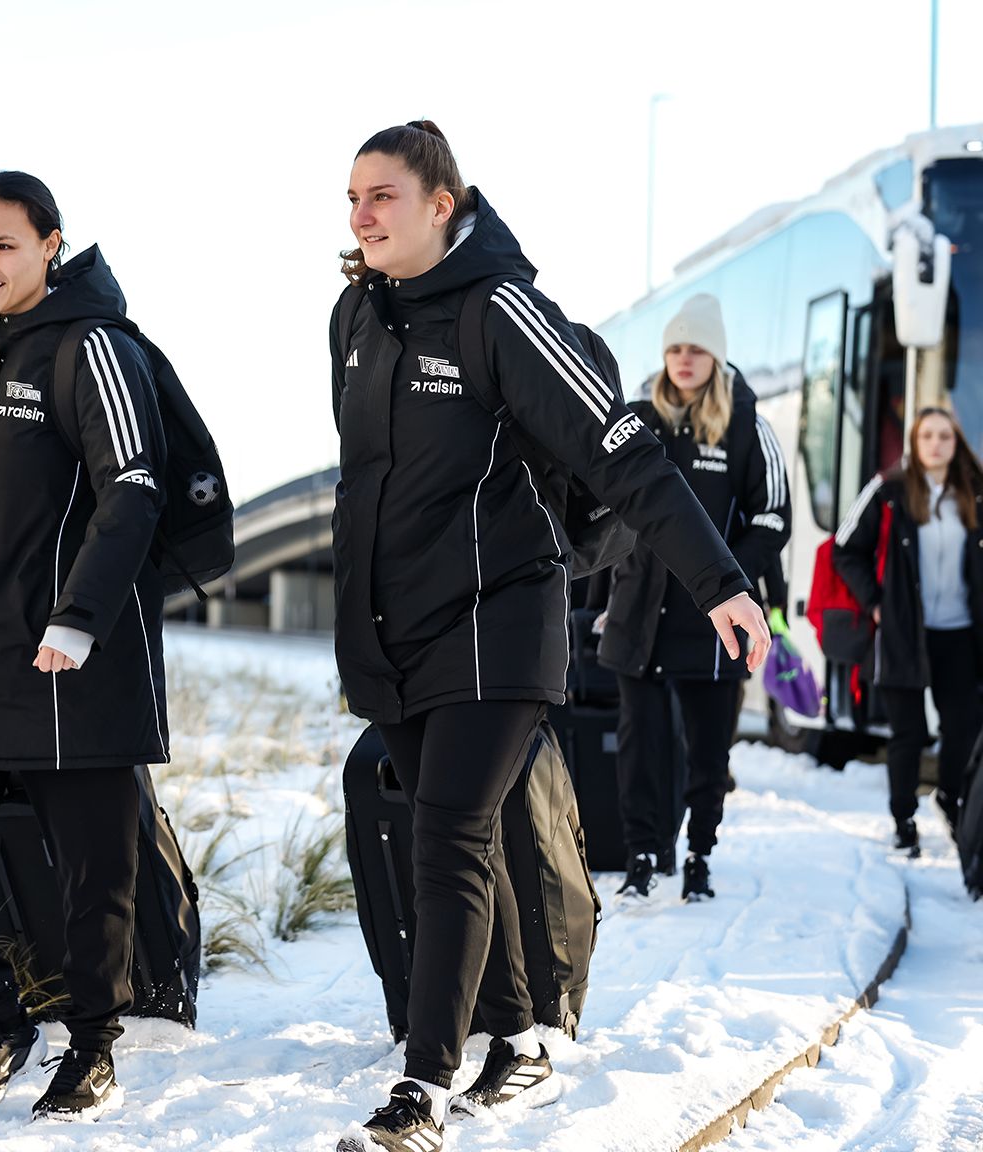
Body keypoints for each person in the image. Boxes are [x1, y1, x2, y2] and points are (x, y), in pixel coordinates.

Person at [327, 122, 769, 1152]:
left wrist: (722, 585)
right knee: (461, 840)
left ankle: (421, 1096)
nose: (360, 215)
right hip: (396, 636)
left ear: (443, 204)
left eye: (381, 195)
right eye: (351, 197)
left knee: (445, 839)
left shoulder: (502, 313)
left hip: (501, 621)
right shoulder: (354, 317)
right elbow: (367, 485)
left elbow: (629, 459)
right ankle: (521, 1039)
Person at [0, 171, 169, 1122]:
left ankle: (94, 1044)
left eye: (4, 244)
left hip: (69, 661)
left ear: (52, 244)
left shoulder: (93, 347)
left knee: (93, 866)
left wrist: (78, 619)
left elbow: (134, 486)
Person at [596, 295, 791, 900]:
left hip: (714, 623)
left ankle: (699, 853)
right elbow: (602, 512)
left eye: (696, 349)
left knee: (708, 752)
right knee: (640, 745)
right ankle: (642, 855)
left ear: (716, 356)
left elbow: (774, 517)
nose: (683, 359)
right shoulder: (633, 419)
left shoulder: (745, 426)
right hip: (639, 613)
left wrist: (732, 577)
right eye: (675, 348)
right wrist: (596, 597)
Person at [833, 406, 983, 855]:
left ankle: (952, 799)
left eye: (945, 436)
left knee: (964, 728)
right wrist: (877, 605)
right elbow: (844, 549)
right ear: (915, 443)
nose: (936, 444)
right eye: (927, 436)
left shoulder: (974, 492)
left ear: (956, 444)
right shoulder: (889, 490)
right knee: (909, 733)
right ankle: (903, 820)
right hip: (903, 633)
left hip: (959, 633)